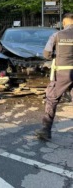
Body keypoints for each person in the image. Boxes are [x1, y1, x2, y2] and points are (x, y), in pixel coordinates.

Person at [35, 13, 73, 141]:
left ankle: (45, 131)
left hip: (63, 73)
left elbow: (46, 54)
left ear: (63, 23)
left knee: (52, 99)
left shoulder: (57, 35)